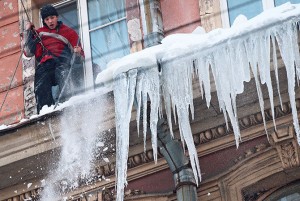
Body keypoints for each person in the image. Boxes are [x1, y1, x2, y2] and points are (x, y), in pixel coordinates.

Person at [23, 4, 84, 114]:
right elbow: (27, 52)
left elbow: (79, 59)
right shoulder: (38, 33)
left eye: (52, 18)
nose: (50, 21)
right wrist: (28, 31)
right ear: (44, 21)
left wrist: (78, 53)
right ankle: (45, 113)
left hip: (61, 62)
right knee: (41, 85)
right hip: (45, 65)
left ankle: (68, 107)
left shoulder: (68, 32)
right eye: (47, 19)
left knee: (64, 76)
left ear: (57, 17)